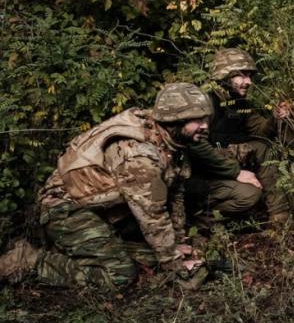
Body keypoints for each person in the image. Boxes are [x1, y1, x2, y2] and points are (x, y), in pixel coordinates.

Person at [0, 83, 209, 287]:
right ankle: (27, 260)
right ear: (174, 120)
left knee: (157, 253)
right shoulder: (139, 155)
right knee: (120, 275)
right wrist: (175, 264)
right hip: (65, 208)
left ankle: (86, 248)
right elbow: (152, 215)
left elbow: (175, 194)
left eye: (205, 118)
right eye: (197, 120)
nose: (205, 125)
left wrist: (178, 242)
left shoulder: (172, 139)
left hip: (103, 208)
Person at [185, 48, 292, 227]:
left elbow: (259, 131)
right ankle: (200, 221)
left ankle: (279, 215)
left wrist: (274, 118)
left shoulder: (239, 103)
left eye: (250, 76)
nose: (249, 81)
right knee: (249, 194)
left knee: (264, 147)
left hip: (223, 166)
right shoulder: (204, 104)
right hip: (202, 175)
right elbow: (197, 150)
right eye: (242, 76)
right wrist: (235, 171)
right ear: (225, 76)